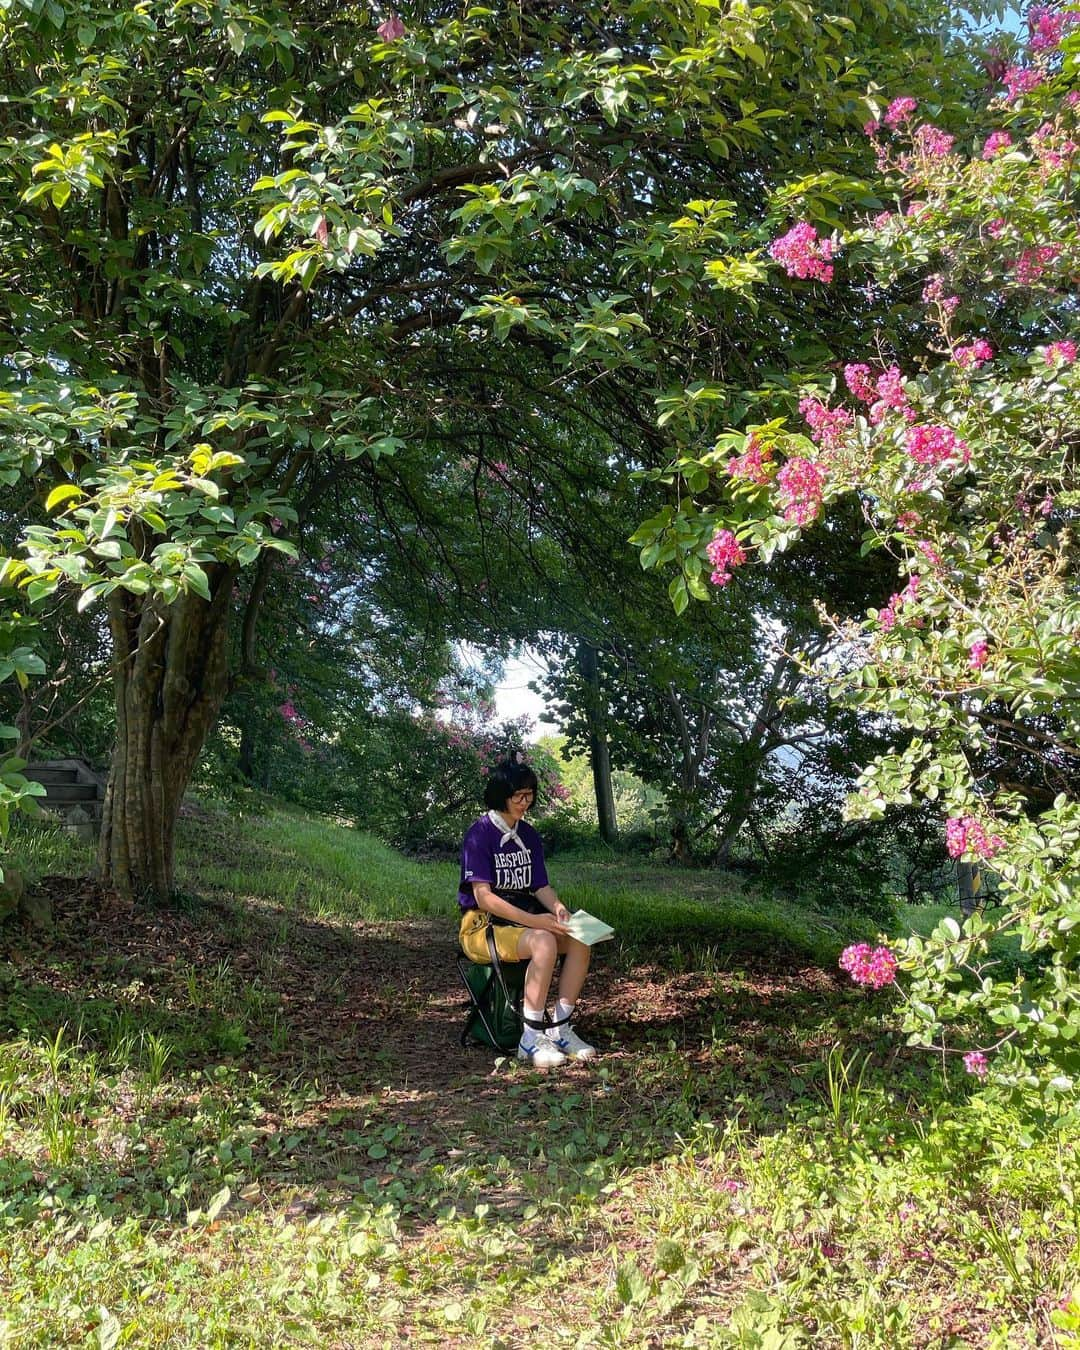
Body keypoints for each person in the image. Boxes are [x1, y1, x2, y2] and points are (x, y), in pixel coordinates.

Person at [457, 755, 598, 1067]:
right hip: (482, 926)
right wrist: (536, 921)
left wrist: (559, 909)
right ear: (500, 796)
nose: (525, 802)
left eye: (529, 795)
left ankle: (560, 1028)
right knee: (544, 941)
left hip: (524, 920)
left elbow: (540, 888)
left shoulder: (529, 835)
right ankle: (531, 1037)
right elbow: (483, 898)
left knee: (581, 937)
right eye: (518, 796)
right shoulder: (479, 835)